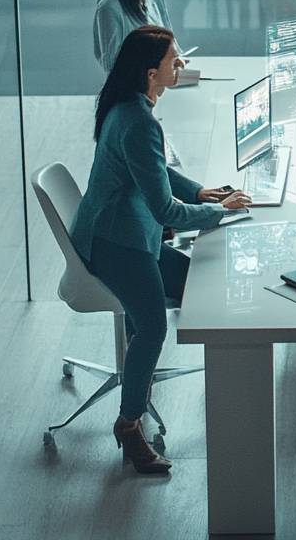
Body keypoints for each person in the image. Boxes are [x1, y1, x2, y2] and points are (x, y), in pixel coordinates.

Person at [70, 26, 250, 475]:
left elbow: (159, 173)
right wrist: (220, 213)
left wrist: (203, 192)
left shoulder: (131, 107)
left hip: (132, 233)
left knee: (196, 283)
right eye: (175, 61)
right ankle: (129, 425)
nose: (181, 65)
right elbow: (165, 209)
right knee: (153, 328)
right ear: (153, 73)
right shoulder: (137, 122)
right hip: (118, 243)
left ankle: (139, 368)